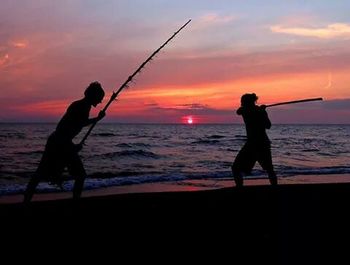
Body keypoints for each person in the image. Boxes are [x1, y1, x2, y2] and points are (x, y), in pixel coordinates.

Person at [24, 81, 106, 203]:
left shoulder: (83, 105)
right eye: (100, 98)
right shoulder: (81, 106)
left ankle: (26, 200)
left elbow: (75, 125)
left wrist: (72, 146)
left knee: (41, 173)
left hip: (60, 141)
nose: (100, 101)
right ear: (93, 95)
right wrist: (97, 119)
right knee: (78, 175)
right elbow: (80, 123)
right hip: (59, 143)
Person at [231, 93, 277, 187]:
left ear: (246, 102)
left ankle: (275, 188)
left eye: (242, 102)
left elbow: (268, 126)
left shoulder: (256, 111)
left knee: (269, 169)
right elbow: (238, 111)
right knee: (236, 168)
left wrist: (262, 112)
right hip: (255, 144)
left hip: (259, 144)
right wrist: (261, 111)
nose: (241, 103)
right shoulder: (246, 110)